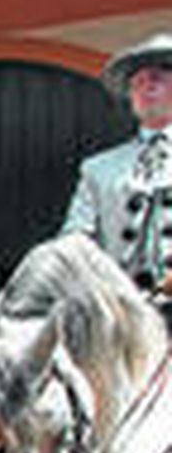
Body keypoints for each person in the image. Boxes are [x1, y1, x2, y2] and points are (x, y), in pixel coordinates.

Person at [63, 33, 172, 303]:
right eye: (137, 82)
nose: (146, 88)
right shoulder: (99, 169)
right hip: (124, 314)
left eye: (157, 79)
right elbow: (74, 239)